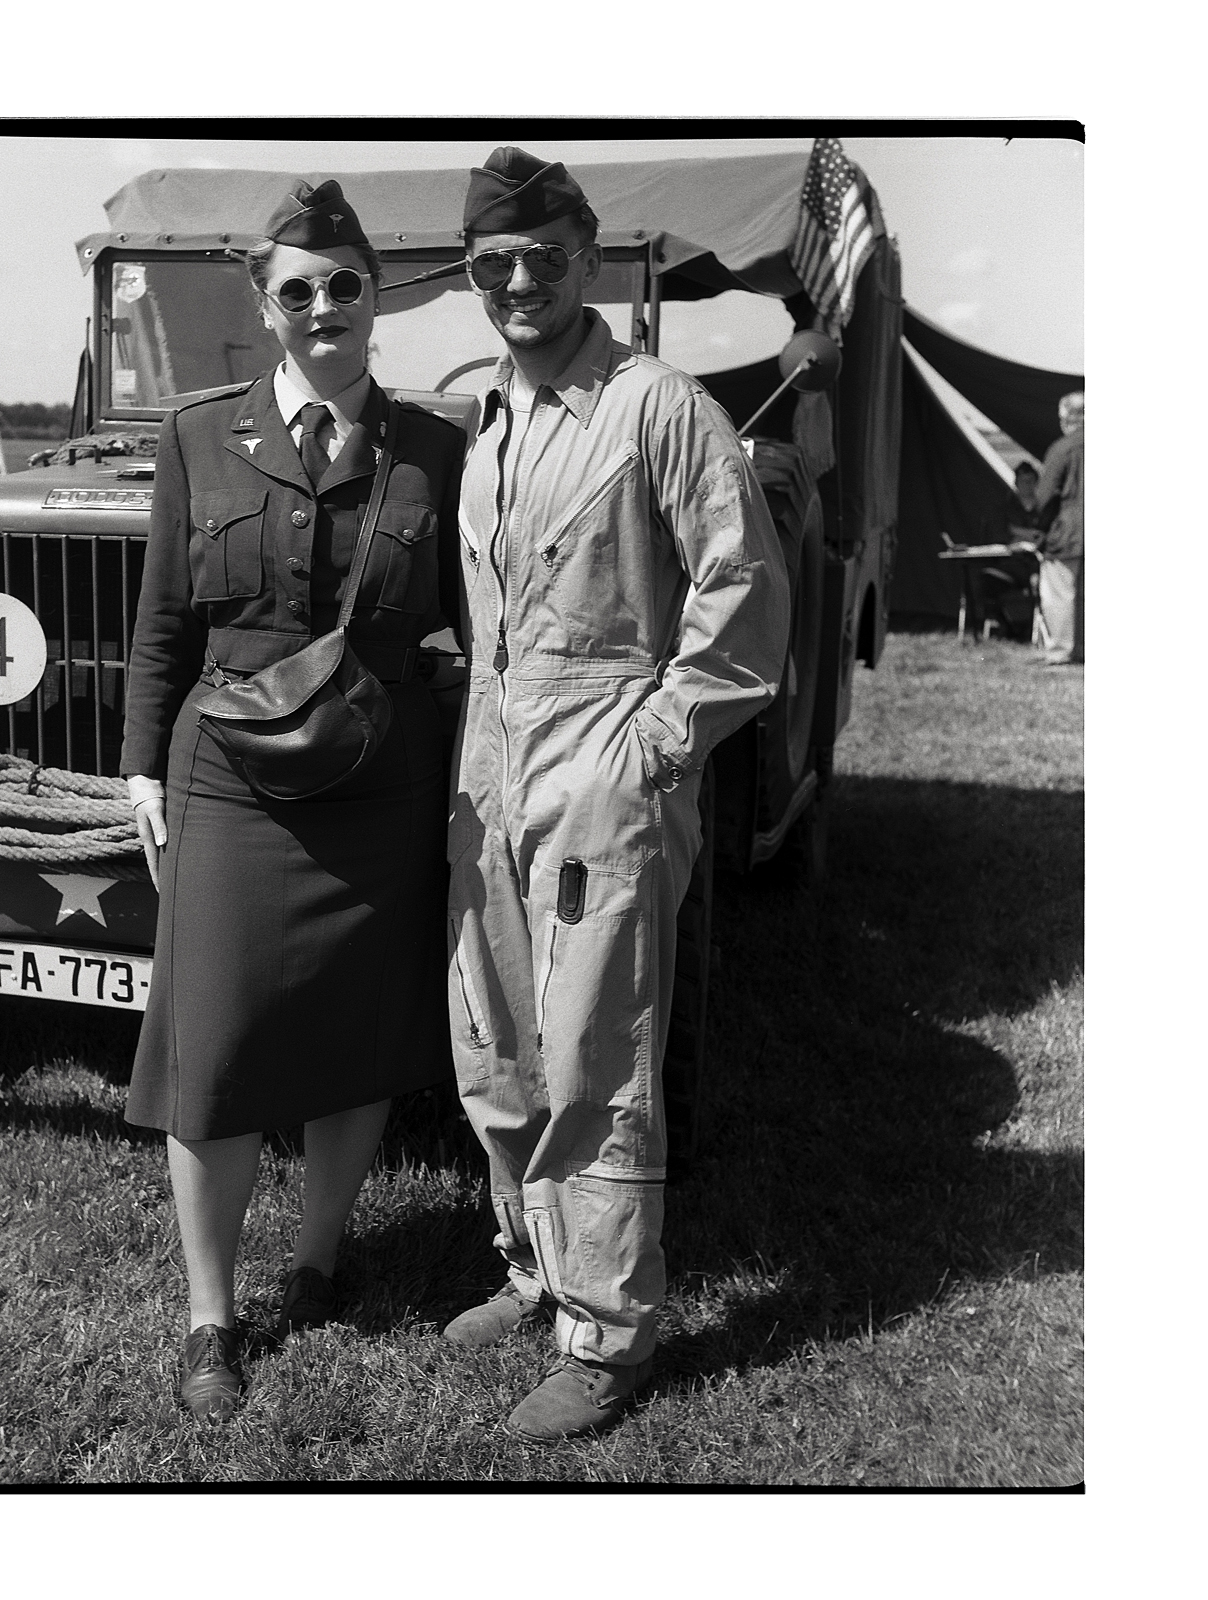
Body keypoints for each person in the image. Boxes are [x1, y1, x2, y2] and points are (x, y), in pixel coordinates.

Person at [442, 148, 790, 1441]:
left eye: (543, 257)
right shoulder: (489, 414)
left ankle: (605, 1334)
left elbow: (743, 592)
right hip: (493, 771)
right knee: (496, 1041)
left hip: (604, 771)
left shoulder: (659, 407)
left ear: (587, 257)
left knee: (594, 1049)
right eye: (492, 263)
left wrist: (651, 744)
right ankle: (532, 1264)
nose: (518, 282)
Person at [119, 180, 466, 1423]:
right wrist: (140, 766)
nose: (326, 308)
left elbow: (471, 625)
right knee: (211, 1045)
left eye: (346, 286)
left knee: (356, 1029)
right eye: (300, 291)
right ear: (266, 307)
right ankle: (211, 1315)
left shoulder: (437, 449)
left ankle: (319, 1259)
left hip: (382, 776)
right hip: (231, 778)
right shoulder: (198, 436)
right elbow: (164, 621)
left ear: (376, 299)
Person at [1030, 391, 1084, 665]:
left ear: (1066, 419)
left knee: (1059, 593)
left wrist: (1039, 529)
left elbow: (1045, 496)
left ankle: (1061, 651)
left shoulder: (1063, 449)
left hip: (1068, 533)